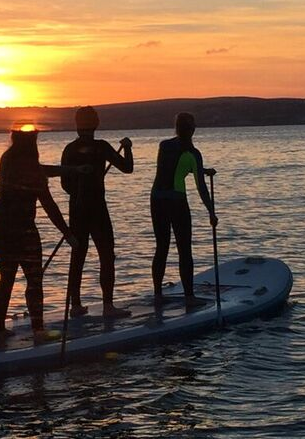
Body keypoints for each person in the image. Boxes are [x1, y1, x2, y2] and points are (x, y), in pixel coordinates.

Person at [0, 126, 78, 340]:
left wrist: (70, 170)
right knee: (34, 279)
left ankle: (0, 328)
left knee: (6, 277)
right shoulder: (32, 172)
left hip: (1, 226)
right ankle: (38, 328)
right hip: (23, 228)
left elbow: (41, 169)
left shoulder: (7, 161)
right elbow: (48, 204)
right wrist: (67, 234)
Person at [60, 106, 134, 318]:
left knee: (78, 255)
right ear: (96, 124)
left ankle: (76, 305)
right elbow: (127, 167)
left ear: (77, 125)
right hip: (97, 208)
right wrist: (127, 148)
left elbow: (65, 183)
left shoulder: (69, 149)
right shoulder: (101, 147)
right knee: (106, 254)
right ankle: (107, 306)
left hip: (77, 208)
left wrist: (77, 193)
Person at [150, 112, 219, 309]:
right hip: (176, 202)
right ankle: (189, 297)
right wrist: (211, 211)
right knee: (184, 249)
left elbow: (173, 167)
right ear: (192, 130)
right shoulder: (194, 154)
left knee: (161, 247)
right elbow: (200, 186)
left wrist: (201, 169)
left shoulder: (164, 146)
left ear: (176, 128)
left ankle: (157, 294)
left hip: (156, 200)